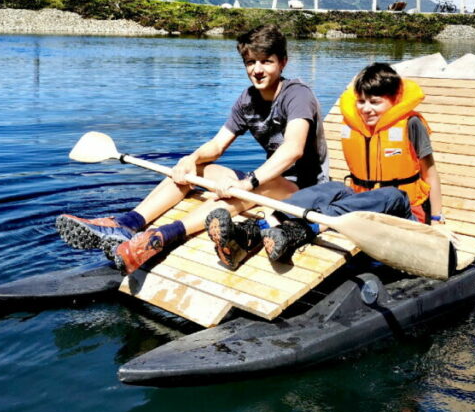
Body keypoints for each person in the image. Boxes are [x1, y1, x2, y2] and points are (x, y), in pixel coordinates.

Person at [56, 24, 328, 273]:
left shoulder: (296, 95)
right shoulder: (247, 100)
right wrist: (191, 158)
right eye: (250, 62)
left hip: (304, 189)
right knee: (194, 169)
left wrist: (250, 182)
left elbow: (293, 149)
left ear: (282, 62)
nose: (257, 69)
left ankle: (161, 237)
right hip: (269, 180)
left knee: (246, 187)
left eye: (266, 62)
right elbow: (218, 144)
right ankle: (128, 224)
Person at [224, 62, 443, 269]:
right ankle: (259, 228)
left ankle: (305, 229)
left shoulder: (411, 125)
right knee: (334, 187)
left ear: (394, 100)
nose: (366, 109)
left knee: (391, 195)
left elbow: (430, 173)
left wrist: (436, 220)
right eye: (361, 101)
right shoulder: (356, 125)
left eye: (375, 102)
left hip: (404, 213)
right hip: (362, 207)